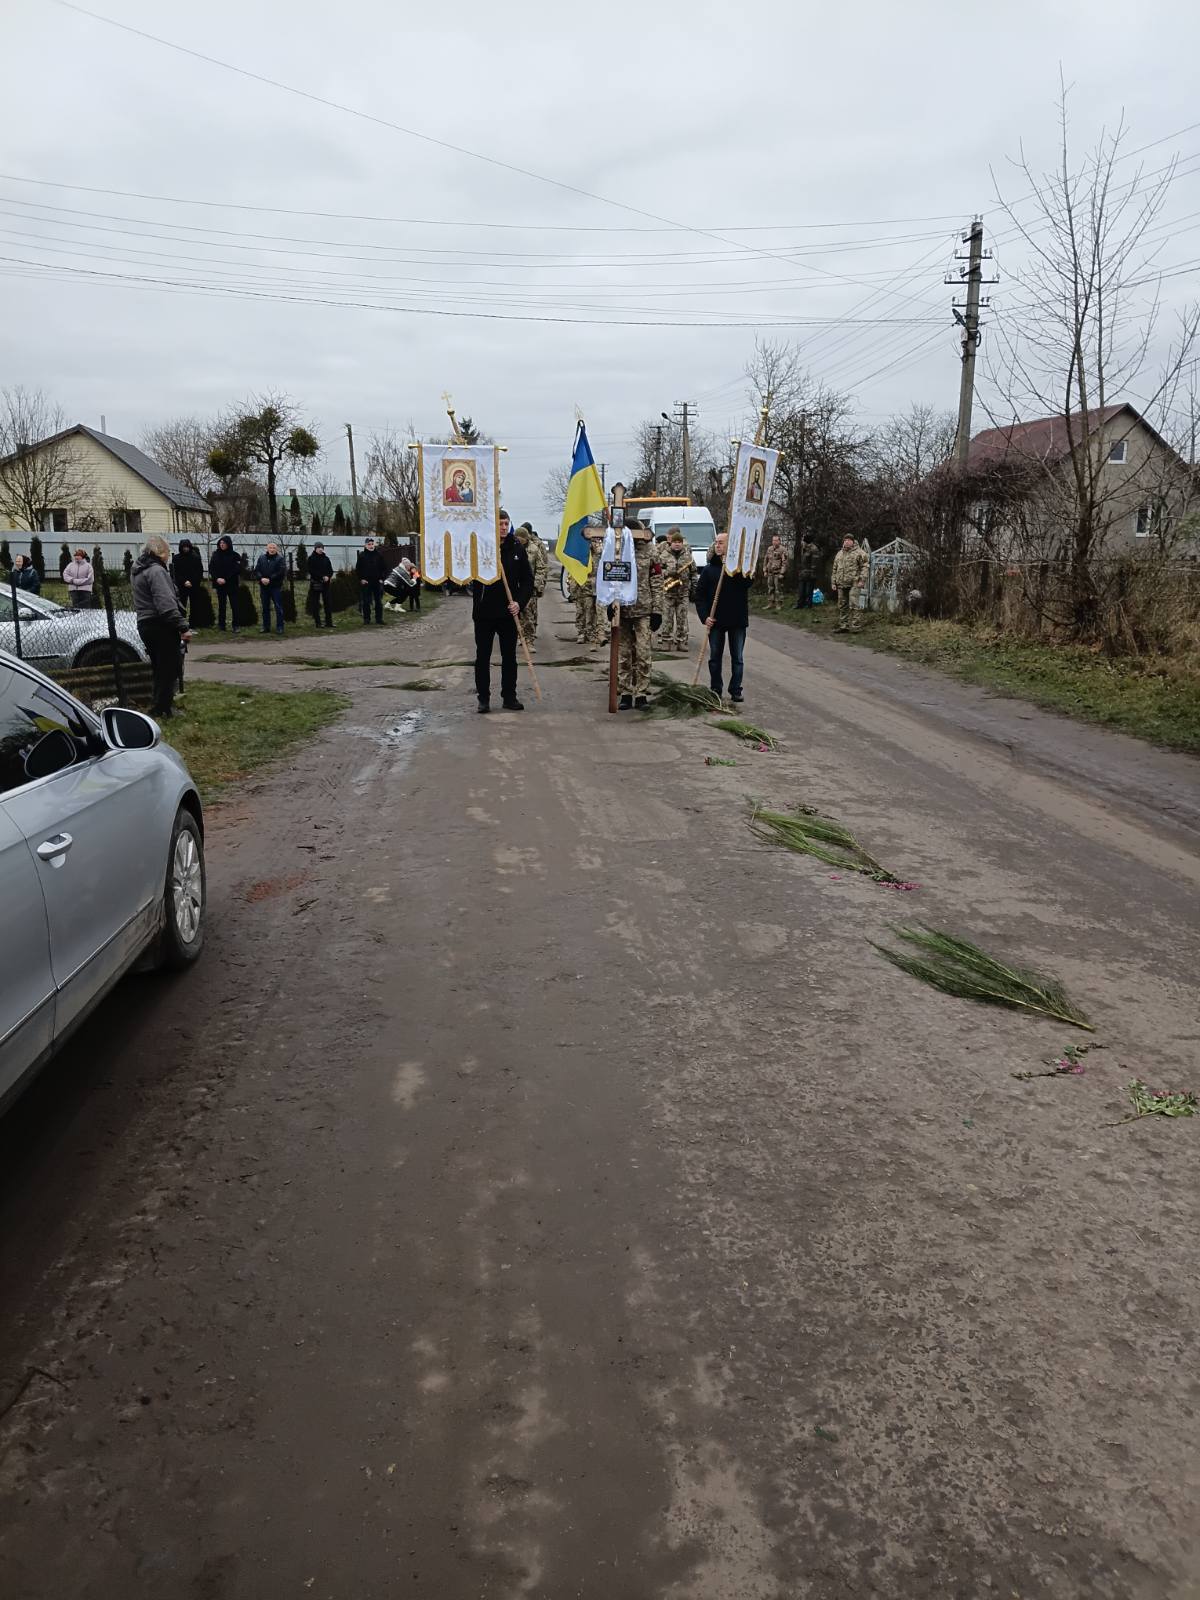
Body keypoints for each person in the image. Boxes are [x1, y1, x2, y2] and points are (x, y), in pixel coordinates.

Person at [473, 510, 533, 713]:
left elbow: (527, 580)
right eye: (500, 524)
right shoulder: (482, 547)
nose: (504, 528)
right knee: (483, 657)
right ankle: (483, 698)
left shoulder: (516, 547)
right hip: (484, 613)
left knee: (509, 657)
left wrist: (519, 603)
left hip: (509, 612)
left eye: (506, 524)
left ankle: (509, 696)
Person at [130, 535, 193, 718]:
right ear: (160, 551)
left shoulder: (138, 570)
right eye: (167, 551)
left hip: (145, 624)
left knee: (159, 668)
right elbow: (165, 603)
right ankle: (162, 709)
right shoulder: (156, 571)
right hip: (161, 625)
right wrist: (183, 626)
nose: (168, 556)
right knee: (169, 668)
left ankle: (159, 706)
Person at [610, 519, 665, 710]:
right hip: (622, 610)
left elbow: (657, 582)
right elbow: (609, 578)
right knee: (624, 654)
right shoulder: (616, 550)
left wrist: (657, 610)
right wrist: (610, 603)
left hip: (644, 609)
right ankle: (625, 692)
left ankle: (641, 693)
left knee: (643, 652)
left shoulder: (650, 551)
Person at [695, 532, 754, 706]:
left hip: (737, 619)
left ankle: (736, 690)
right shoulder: (709, 569)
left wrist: (737, 568)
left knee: (738, 657)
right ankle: (716, 689)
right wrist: (705, 617)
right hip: (716, 621)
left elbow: (748, 583)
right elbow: (700, 595)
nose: (718, 545)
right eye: (716, 543)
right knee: (715, 657)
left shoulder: (740, 570)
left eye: (721, 543)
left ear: (730, 545)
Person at [658, 528, 694, 652]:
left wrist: (694, 589)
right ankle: (666, 641)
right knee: (667, 618)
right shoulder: (664, 555)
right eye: (675, 542)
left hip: (683, 593)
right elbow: (657, 572)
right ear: (671, 543)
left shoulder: (688, 556)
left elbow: (693, 573)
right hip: (668, 593)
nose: (677, 544)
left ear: (682, 543)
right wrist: (668, 572)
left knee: (682, 619)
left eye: (679, 541)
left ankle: (681, 641)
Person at [514, 523, 548, 653]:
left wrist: (537, 584)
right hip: (514, 588)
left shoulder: (534, 549)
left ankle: (529, 640)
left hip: (529, 588)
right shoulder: (512, 548)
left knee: (529, 615)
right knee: (516, 614)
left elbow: (541, 568)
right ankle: (519, 636)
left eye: (521, 539)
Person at [830, 536, 869, 632]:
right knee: (842, 604)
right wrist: (833, 582)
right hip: (841, 583)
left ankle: (856, 626)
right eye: (845, 540)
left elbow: (865, 567)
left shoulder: (860, 553)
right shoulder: (839, 554)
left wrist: (862, 580)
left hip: (854, 583)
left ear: (853, 541)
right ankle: (844, 626)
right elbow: (835, 568)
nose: (846, 542)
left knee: (854, 604)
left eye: (848, 540)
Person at [580, 530, 610, 649]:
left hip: (600, 587)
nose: (595, 543)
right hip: (587, 587)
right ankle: (591, 638)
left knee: (600, 613)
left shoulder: (602, 553)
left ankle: (600, 636)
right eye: (593, 541)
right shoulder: (584, 552)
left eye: (597, 541)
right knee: (589, 613)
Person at [209, 536, 241, 632]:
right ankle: (221, 625)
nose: (222, 545)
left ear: (228, 544)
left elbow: (236, 569)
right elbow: (211, 568)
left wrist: (225, 579)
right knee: (221, 605)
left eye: (224, 543)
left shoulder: (235, 555)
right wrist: (217, 578)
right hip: (220, 584)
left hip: (232, 584)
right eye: (221, 543)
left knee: (234, 605)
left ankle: (236, 626)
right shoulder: (215, 555)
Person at [254, 540, 287, 634]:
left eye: (274, 548)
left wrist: (269, 579)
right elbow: (257, 570)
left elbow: (281, 572)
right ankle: (266, 627)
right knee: (265, 607)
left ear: (277, 549)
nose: (272, 549)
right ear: (267, 548)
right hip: (264, 587)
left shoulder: (280, 559)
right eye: (270, 548)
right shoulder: (261, 558)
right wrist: (261, 578)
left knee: (278, 607)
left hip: (275, 587)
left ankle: (280, 627)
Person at [170, 538, 205, 623]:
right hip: (181, 585)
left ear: (190, 547)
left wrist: (192, 582)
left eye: (187, 547)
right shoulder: (176, 558)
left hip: (193, 585)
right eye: (183, 547)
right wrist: (184, 581)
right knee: (181, 604)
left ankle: (193, 622)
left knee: (194, 604)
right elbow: (175, 573)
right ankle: (181, 622)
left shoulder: (195, 558)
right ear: (180, 547)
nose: (185, 549)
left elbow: (199, 571)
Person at [356, 535, 387, 624]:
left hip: (377, 582)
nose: (371, 546)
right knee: (366, 602)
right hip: (366, 582)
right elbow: (358, 569)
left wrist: (381, 578)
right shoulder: (362, 556)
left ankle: (379, 619)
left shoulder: (379, 555)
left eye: (372, 544)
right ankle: (367, 619)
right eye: (369, 544)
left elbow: (384, 568)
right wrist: (361, 579)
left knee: (378, 601)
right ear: (365, 545)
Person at [307, 541, 334, 627]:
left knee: (328, 603)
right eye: (318, 548)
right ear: (315, 549)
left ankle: (329, 622)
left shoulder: (326, 558)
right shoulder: (311, 558)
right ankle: (318, 623)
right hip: (316, 583)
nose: (320, 549)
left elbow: (330, 570)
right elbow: (311, 571)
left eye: (322, 548)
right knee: (316, 603)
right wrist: (322, 577)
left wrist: (328, 577)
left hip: (326, 584)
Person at [761, 534, 786, 612]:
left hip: (778, 573)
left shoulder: (783, 549)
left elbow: (784, 562)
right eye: (773, 540)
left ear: (779, 541)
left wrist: (782, 573)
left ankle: (779, 604)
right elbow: (766, 560)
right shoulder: (769, 549)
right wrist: (764, 570)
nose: (774, 542)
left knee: (778, 589)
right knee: (770, 588)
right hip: (770, 573)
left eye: (776, 540)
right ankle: (771, 603)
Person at [795, 535, 819, 609]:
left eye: (803, 540)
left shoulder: (814, 549)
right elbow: (802, 561)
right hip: (803, 572)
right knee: (801, 590)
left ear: (806, 541)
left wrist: (812, 574)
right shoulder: (804, 548)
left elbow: (814, 563)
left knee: (808, 591)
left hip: (810, 573)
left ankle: (808, 605)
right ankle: (800, 604)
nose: (802, 542)